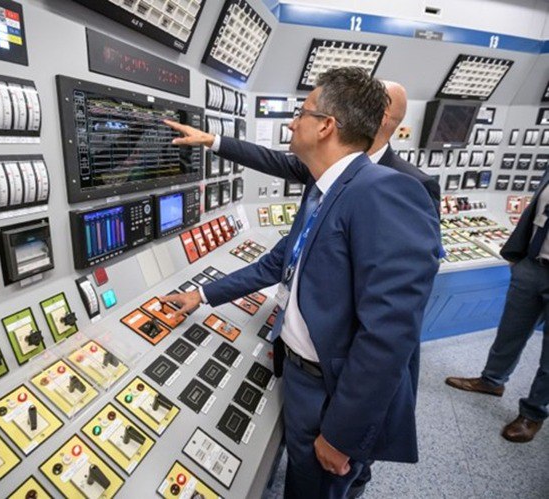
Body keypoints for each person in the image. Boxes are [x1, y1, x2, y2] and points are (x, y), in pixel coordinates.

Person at [162, 67, 441, 499]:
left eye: (302, 113)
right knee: (302, 478)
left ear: (326, 126)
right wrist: (201, 295)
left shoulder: (385, 191)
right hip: (299, 375)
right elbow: (281, 261)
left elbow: (389, 334)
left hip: (331, 392)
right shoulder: (326, 186)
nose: (293, 123)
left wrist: (342, 434)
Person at [164, 81, 440, 216]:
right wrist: (212, 140)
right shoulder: (325, 164)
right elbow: (271, 160)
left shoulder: (414, 184)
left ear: (380, 118)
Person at [445, 168, 549, 443]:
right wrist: (520, 258)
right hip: (533, 265)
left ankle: (533, 413)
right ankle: (492, 381)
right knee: (510, 331)